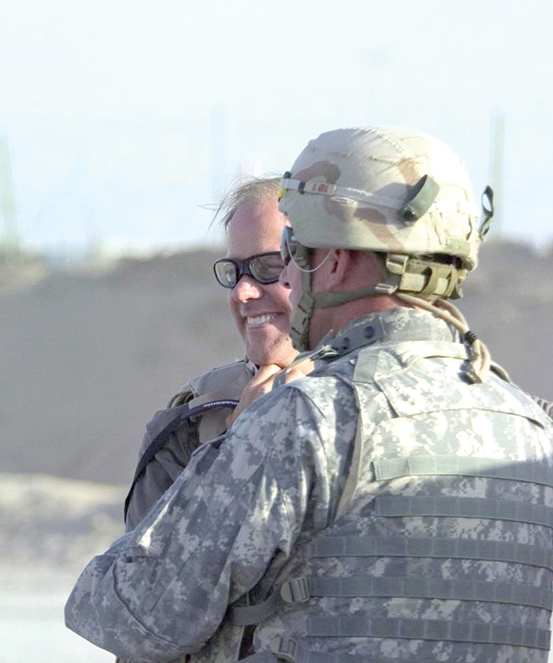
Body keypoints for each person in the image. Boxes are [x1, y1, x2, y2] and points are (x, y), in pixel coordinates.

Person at [66, 126, 553, 662]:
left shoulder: (306, 421)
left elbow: (131, 613)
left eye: (291, 255)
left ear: (336, 262)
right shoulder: (531, 428)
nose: (281, 282)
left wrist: (231, 449)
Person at [124, 177, 300, 530]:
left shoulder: (399, 398)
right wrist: (237, 454)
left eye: (268, 267)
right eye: (235, 273)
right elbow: (147, 576)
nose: (242, 292)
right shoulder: (192, 426)